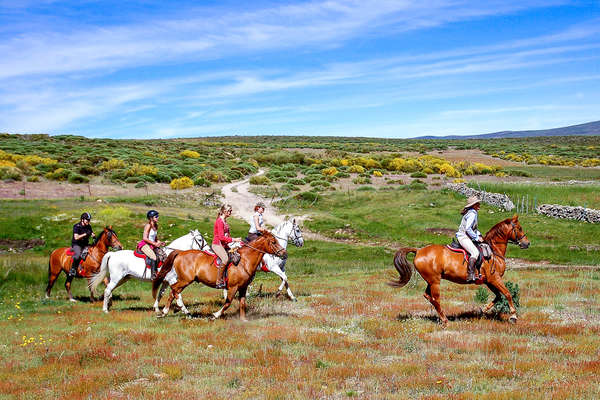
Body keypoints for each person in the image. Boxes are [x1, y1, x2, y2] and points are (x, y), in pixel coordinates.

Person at [213, 204, 242, 289]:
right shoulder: (219, 221)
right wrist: (234, 240)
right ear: (224, 211)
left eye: (231, 211)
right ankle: (218, 281)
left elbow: (227, 236)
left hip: (224, 245)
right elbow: (221, 237)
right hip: (217, 244)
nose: (231, 212)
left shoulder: (225, 221)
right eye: (229, 211)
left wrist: (235, 244)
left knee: (236, 255)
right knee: (225, 259)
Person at [456, 196, 483, 283]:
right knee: (475, 252)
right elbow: (468, 229)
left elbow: (473, 228)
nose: (479, 205)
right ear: (473, 205)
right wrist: (476, 237)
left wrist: (479, 235)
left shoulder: (472, 212)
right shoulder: (472, 214)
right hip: (463, 236)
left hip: (466, 236)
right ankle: (470, 274)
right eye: (477, 203)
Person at [139, 210, 165, 280]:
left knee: (163, 255)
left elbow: (155, 237)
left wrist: (160, 242)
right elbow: (144, 238)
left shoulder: (156, 226)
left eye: (158, 216)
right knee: (153, 257)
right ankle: (153, 275)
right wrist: (154, 244)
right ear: (151, 218)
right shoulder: (148, 226)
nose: (158, 217)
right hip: (145, 245)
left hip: (152, 245)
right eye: (156, 216)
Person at [70, 212, 95, 278]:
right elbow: (76, 237)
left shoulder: (89, 226)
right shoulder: (76, 226)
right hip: (77, 244)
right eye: (87, 220)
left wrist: (94, 236)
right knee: (78, 255)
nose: (88, 221)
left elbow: (92, 233)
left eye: (89, 220)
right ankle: (73, 269)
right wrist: (85, 234)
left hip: (85, 244)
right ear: (82, 220)